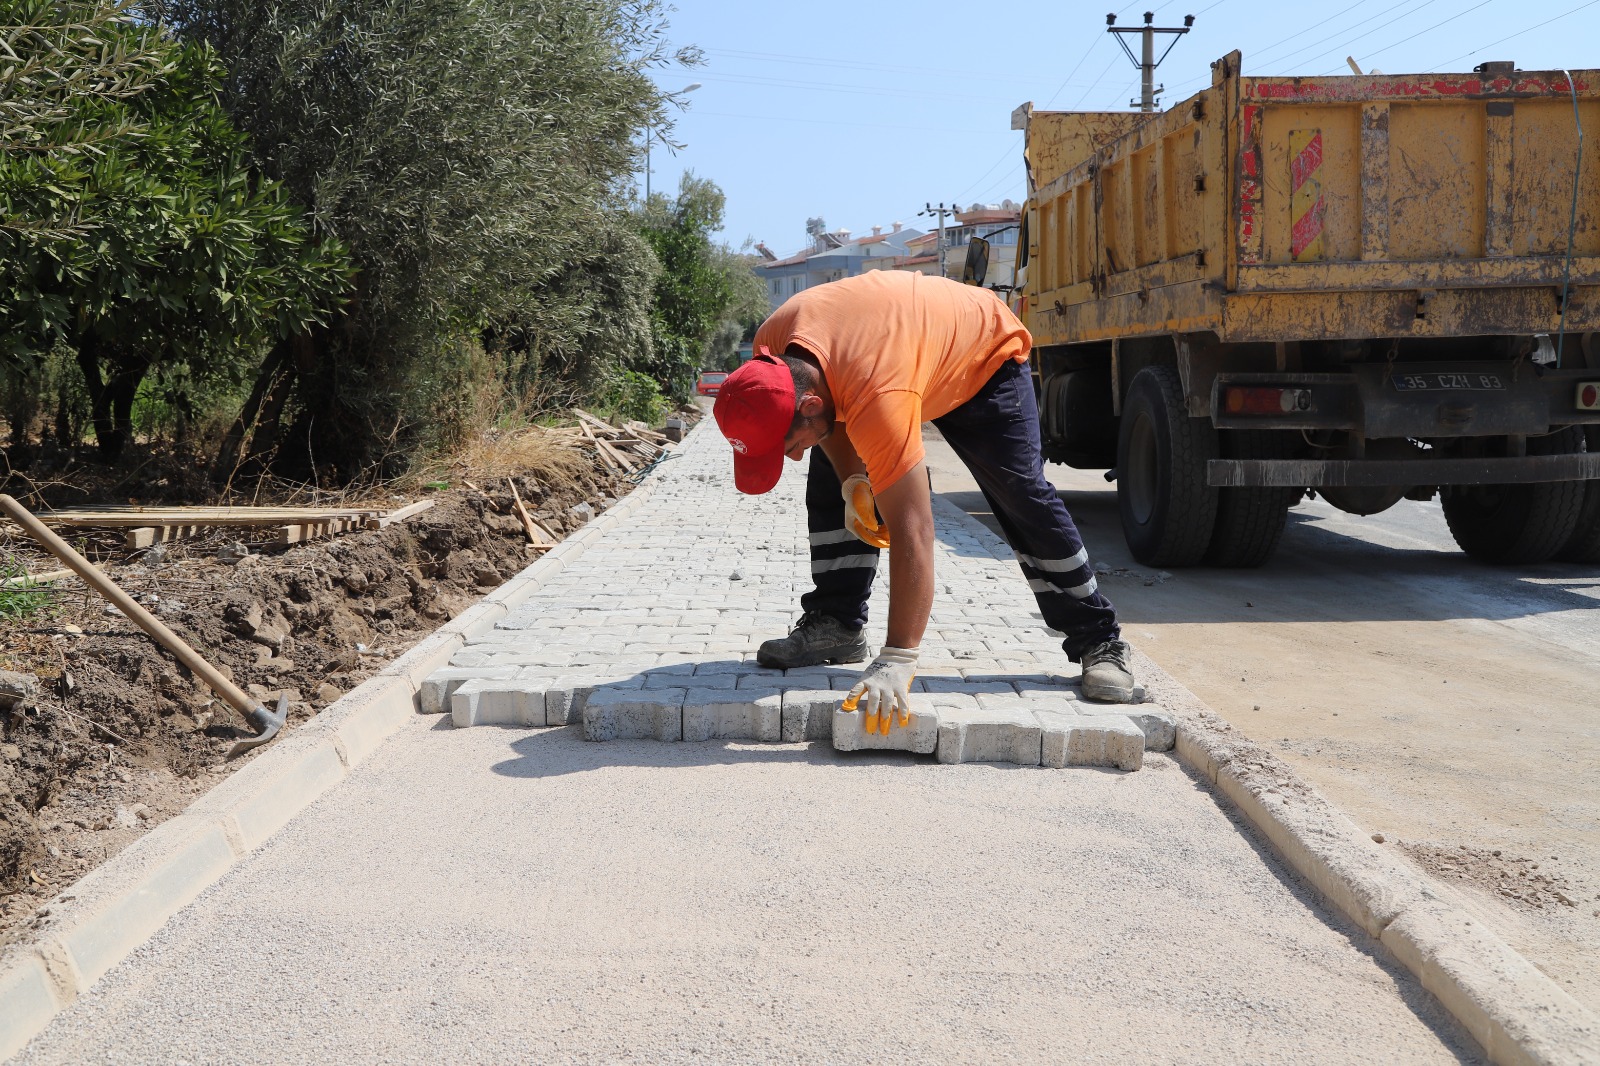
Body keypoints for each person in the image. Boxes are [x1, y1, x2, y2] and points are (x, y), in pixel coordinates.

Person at [712, 270, 1135, 721]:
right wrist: (854, 482)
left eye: (787, 447)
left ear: (809, 405)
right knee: (828, 474)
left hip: (980, 356)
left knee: (1020, 494)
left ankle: (1099, 640)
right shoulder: (772, 354)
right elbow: (829, 415)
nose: (791, 459)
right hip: (893, 353)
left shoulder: (878, 395)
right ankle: (836, 624)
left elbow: (913, 529)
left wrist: (899, 657)